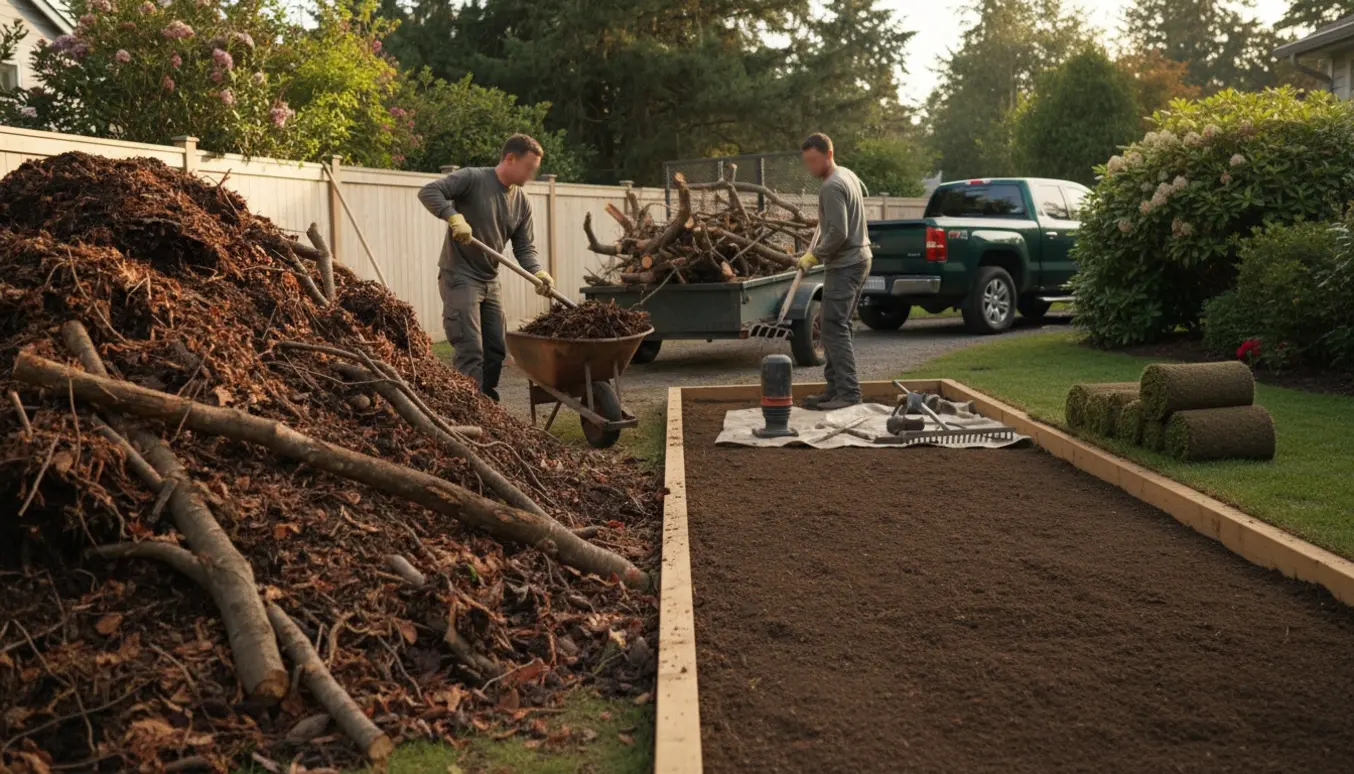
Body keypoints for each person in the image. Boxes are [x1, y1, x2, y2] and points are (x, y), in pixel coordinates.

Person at [418, 134, 555, 401]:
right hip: (459, 275)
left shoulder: (521, 202)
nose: (532, 174)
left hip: (490, 280)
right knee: (470, 349)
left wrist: (537, 272)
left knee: (495, 349)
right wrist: (453, 216)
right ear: (510, 158)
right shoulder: (473, 178)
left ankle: (486, 402)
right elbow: (429, 192)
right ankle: (468, 408)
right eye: (529, 167)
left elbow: (524, 247)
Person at [795, 132, 873, 411]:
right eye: (807, 162)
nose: (811, 167)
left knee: (833, 327)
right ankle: (835, 388)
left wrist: (813, 256)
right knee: (836, 326)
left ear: (829, 154)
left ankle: (849, 394)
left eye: (814, 160)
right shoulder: (847, 175)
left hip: (846, 263)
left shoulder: (831, 186)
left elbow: (838, 232)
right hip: (860, 258)